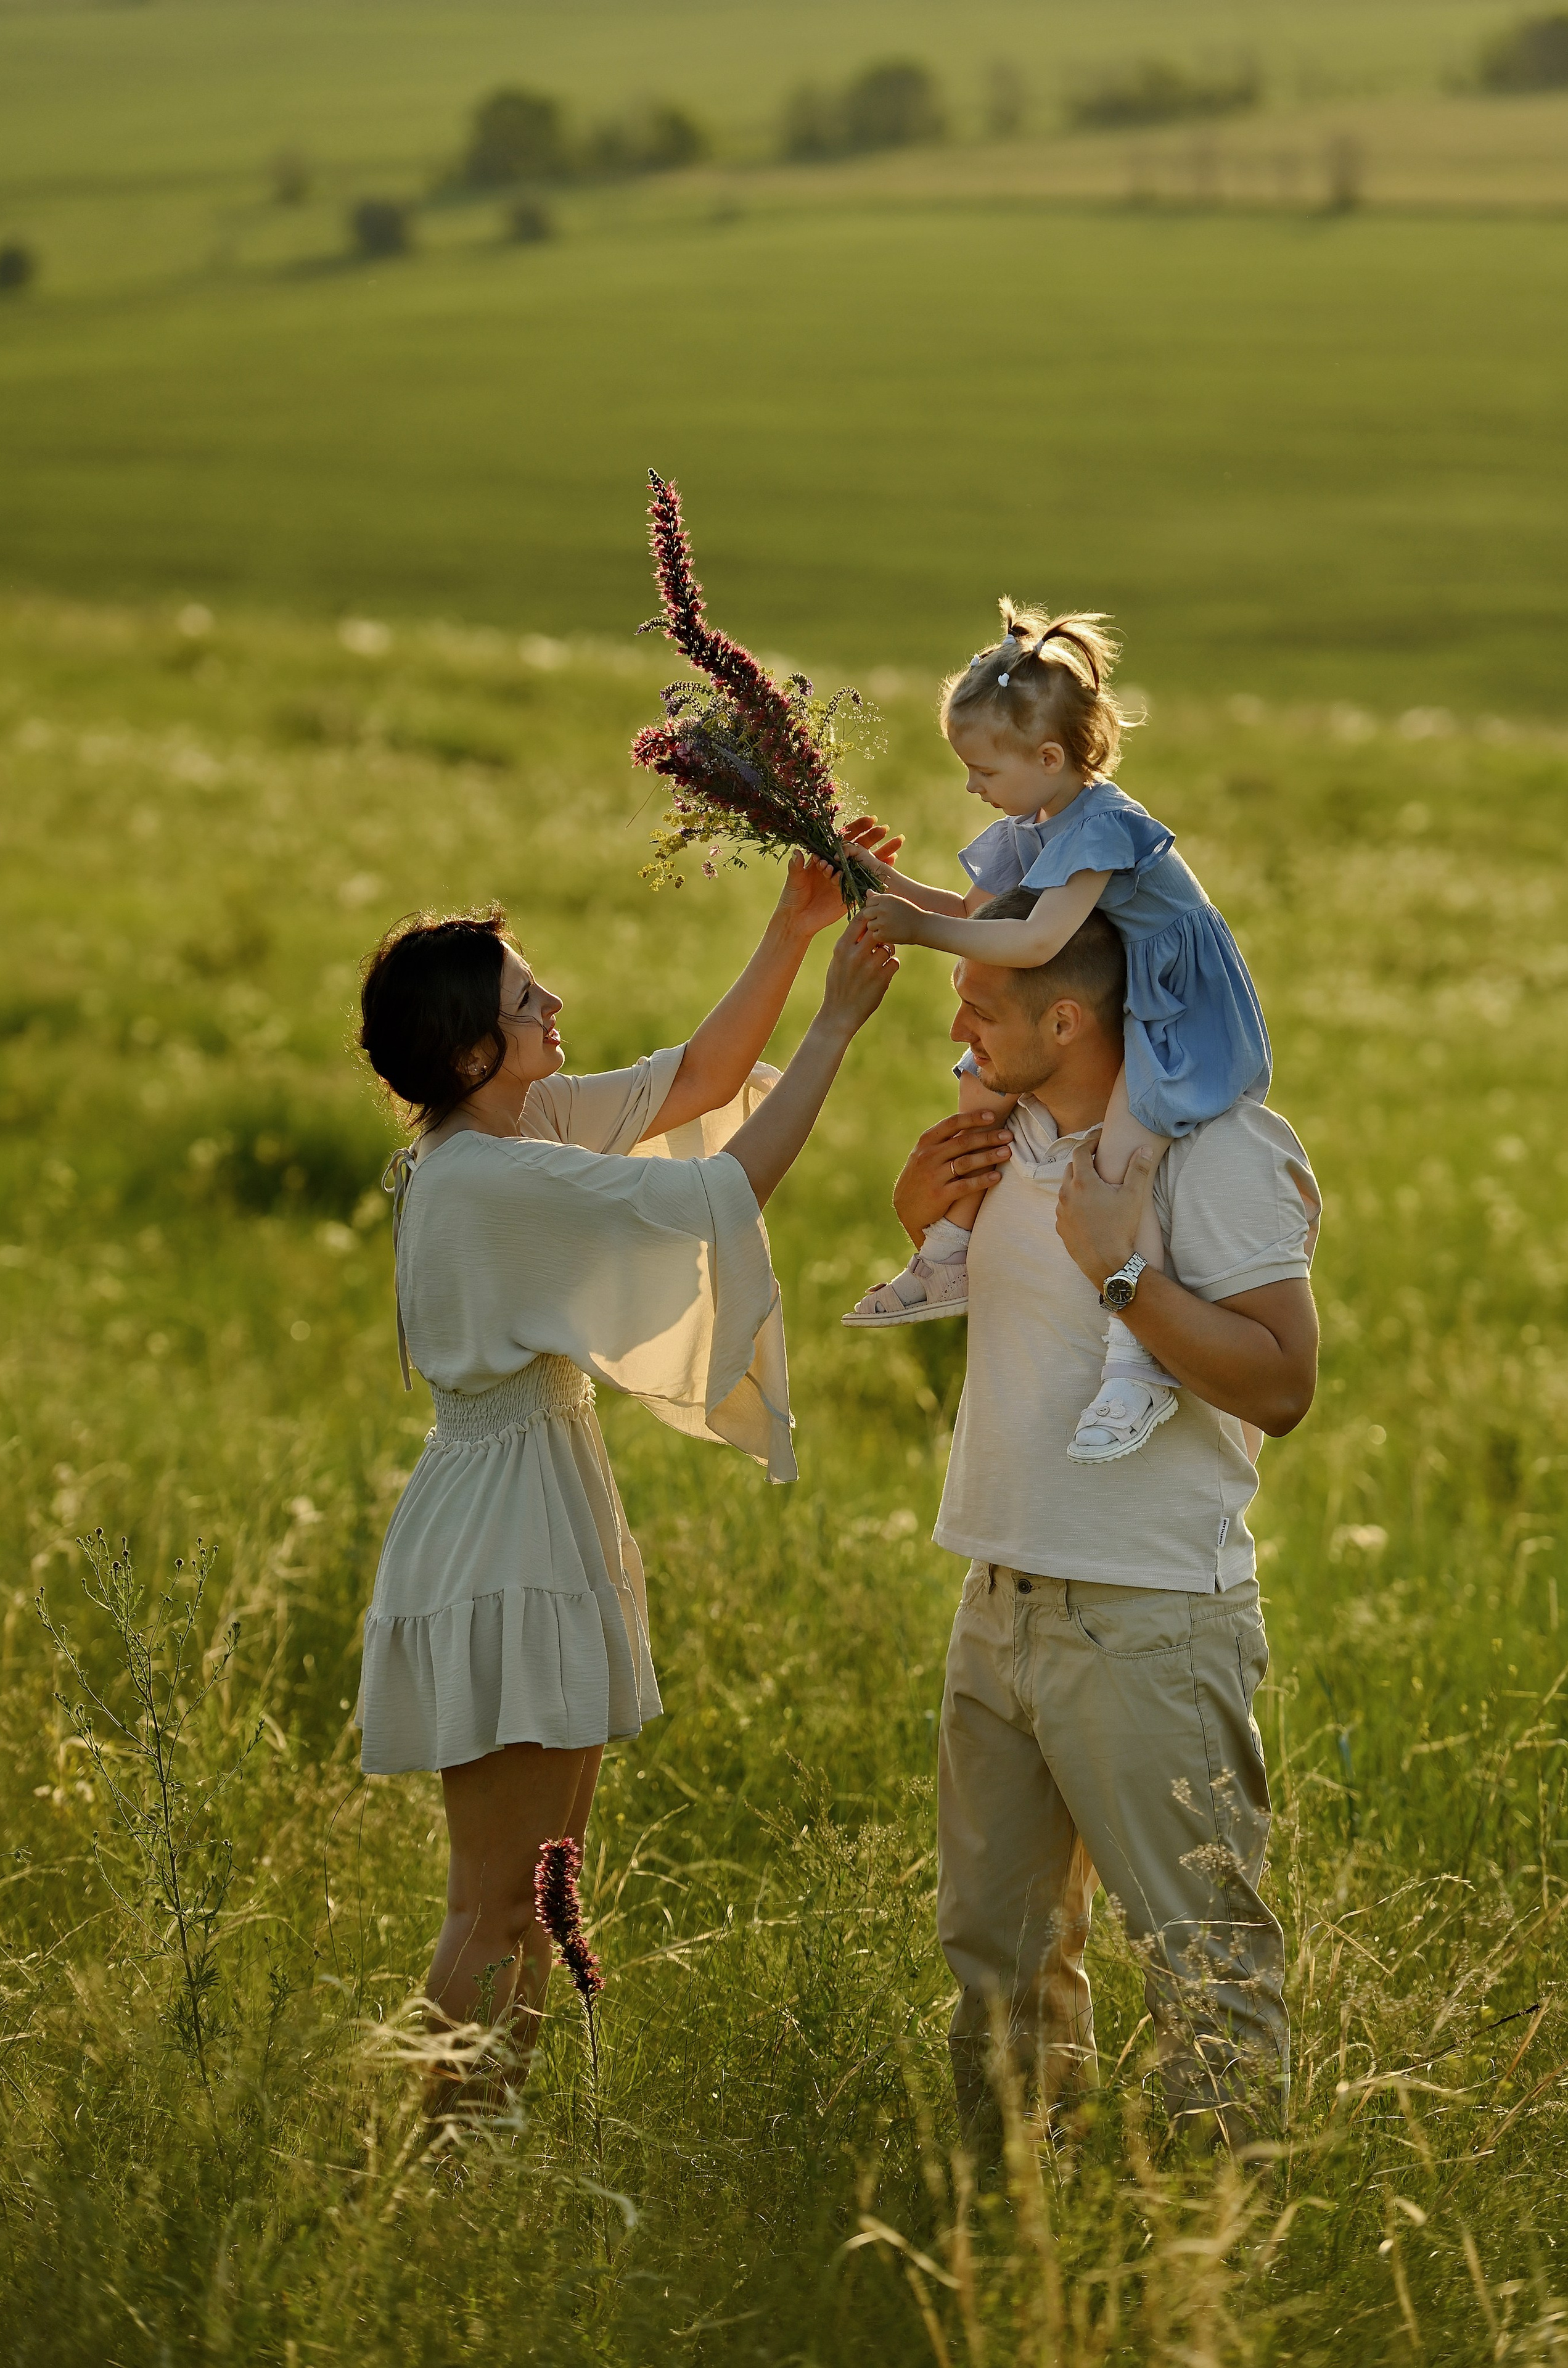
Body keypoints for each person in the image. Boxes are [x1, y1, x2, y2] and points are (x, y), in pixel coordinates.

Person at [353, 845, 898, 2102]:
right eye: (524, 1004)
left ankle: (482, 2161)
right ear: (470, 1053)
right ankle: (440, 2179)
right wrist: (832, 1027)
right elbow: (726, 1186)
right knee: (494, 1909)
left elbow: (696, 1082)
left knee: (539, 1898)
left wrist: (792, 926)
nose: (552, 1008)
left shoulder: (511, 1123)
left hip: (535, 1505)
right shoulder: (493, 1176)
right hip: (503, 1536)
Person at [890, 892, 1319, 2150]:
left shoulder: (1219, 1151)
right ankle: (1024, 2234)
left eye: (980, 1001)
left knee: (1202, 1963)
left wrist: (1121, 1272)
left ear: (1067, 1017)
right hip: (997, 1599)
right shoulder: (1005, 1130)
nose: (958, 1020)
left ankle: (1215, 2269)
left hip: (1144, 1621)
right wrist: (917, 1217)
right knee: (995, 1960)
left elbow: (1281, 1384)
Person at [847, 601, 1271, 1470]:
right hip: (1115, 988)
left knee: (1124, 1157)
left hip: (1172, 1005)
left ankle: (1138, 1359)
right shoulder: (1031, 823)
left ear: (1049, 759)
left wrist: (920, 934)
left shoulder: (1103, 826)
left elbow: (1036, 942)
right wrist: (875, 881)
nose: (972, 787)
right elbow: (977, 916)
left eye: (981, 769)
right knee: (978, 1078)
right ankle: (951, 1249)